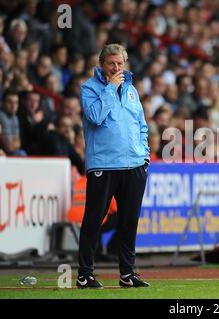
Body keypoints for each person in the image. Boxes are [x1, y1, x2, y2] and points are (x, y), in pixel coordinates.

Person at [77, 43, 150, 289]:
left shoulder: (132, 90)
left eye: (120, 63)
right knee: (94, 218)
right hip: (104, 164)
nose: (116, 67)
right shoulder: (89, 88)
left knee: (130, 221)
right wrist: (111, 88)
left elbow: (141, 125)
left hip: (134, 164)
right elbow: (95, 117)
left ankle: (127, 274)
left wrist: (145, 155)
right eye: (111, 63)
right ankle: (84, 274)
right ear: (101, 64)